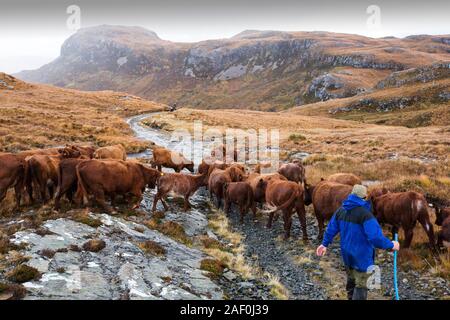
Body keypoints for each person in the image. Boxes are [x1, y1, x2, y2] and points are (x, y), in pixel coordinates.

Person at [316, 184, 400, 300]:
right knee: (361, 285)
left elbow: (331, 228)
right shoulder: (366, 215)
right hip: (362, 256)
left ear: (351, 195)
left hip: (346, 254)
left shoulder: (341, 210)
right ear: (364, 197)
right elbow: (375, 238)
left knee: (351, 281)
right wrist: (391, 245)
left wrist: (324, 244)